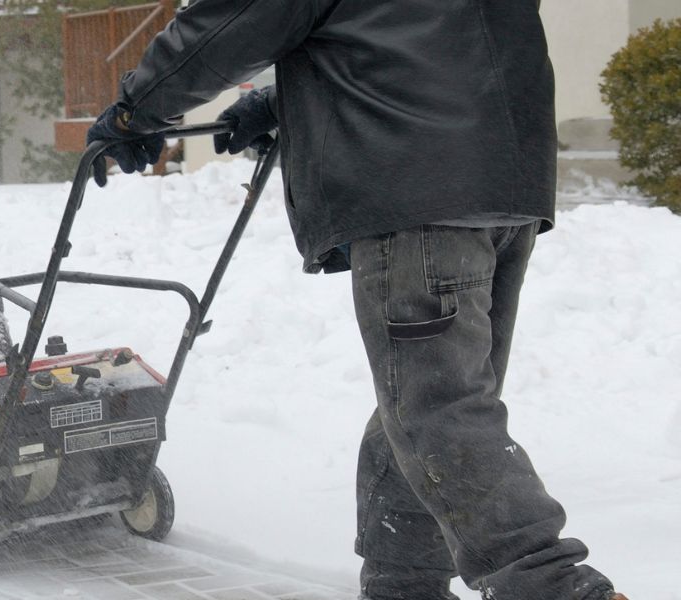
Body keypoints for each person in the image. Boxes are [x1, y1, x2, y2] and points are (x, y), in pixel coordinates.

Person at [83, 2, 627, 600]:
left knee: (436, 408)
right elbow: (427, 34)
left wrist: (139, 108)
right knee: (426, 397)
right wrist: (280, 103)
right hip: (503, 183)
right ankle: (404, 583)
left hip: (417, 192)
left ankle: (551, 584)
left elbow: (235, 19)